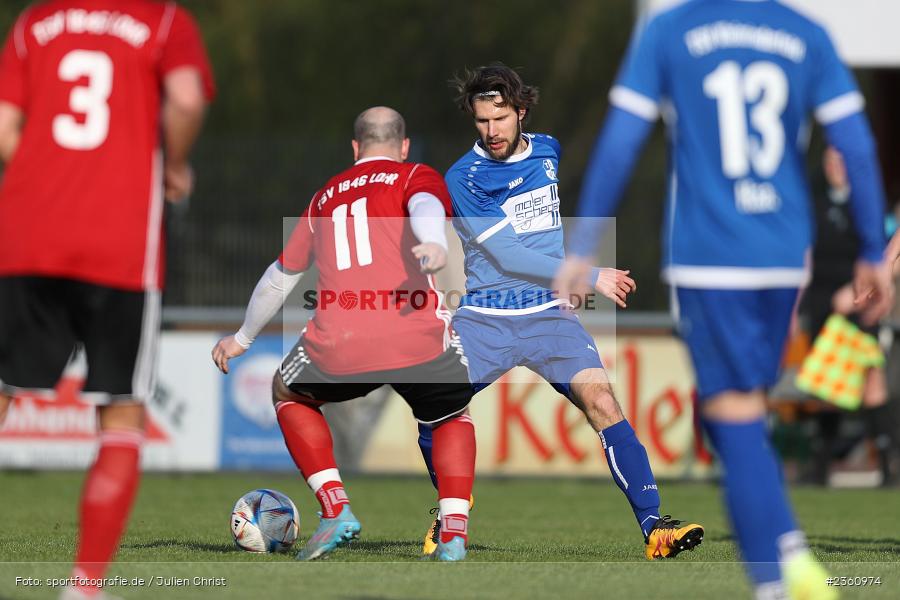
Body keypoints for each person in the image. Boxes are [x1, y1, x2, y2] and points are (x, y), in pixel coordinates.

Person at [555, 1, 892, 597]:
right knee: (747, 411)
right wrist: (873, 246)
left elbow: (620, 142)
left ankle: (776, 582)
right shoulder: (806, 33)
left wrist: (582, 247)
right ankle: (788, 551)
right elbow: (857, 147)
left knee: (731, 421)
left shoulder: (671, 30)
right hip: (784, 256)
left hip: (709, 255)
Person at [418, 63, 703, 561]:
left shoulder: (547, 149)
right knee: (433, 409)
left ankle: (656, 528)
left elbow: (543, 228)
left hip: (550, 314)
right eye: (482, 121)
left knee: (604, 403)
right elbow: (508, 255)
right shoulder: (463, 177)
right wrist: (588, 276)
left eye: (501, 118)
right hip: (487, 316)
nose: (492, 131)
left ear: (521, 112)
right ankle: (449, 511)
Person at [0, 1, 213, 598]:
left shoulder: (33, 23)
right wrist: (172, 165)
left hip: (25, 237)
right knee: (120, 409)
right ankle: (84, 587)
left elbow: (3, 130)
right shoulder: (165, 21)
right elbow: (188, 99)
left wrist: (50, 178)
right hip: (120, 245)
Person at [212, 107, 477, 562]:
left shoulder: (323, 198)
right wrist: (433, 241)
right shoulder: (415, 174)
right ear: (404, 146)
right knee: (451, 413)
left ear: (355, 148)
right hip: (416, 334)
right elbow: (426, 206)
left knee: (288, 392)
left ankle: (336, 508)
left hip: (339, 342)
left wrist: (242, 338)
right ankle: (453, 533)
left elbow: (281, 276)